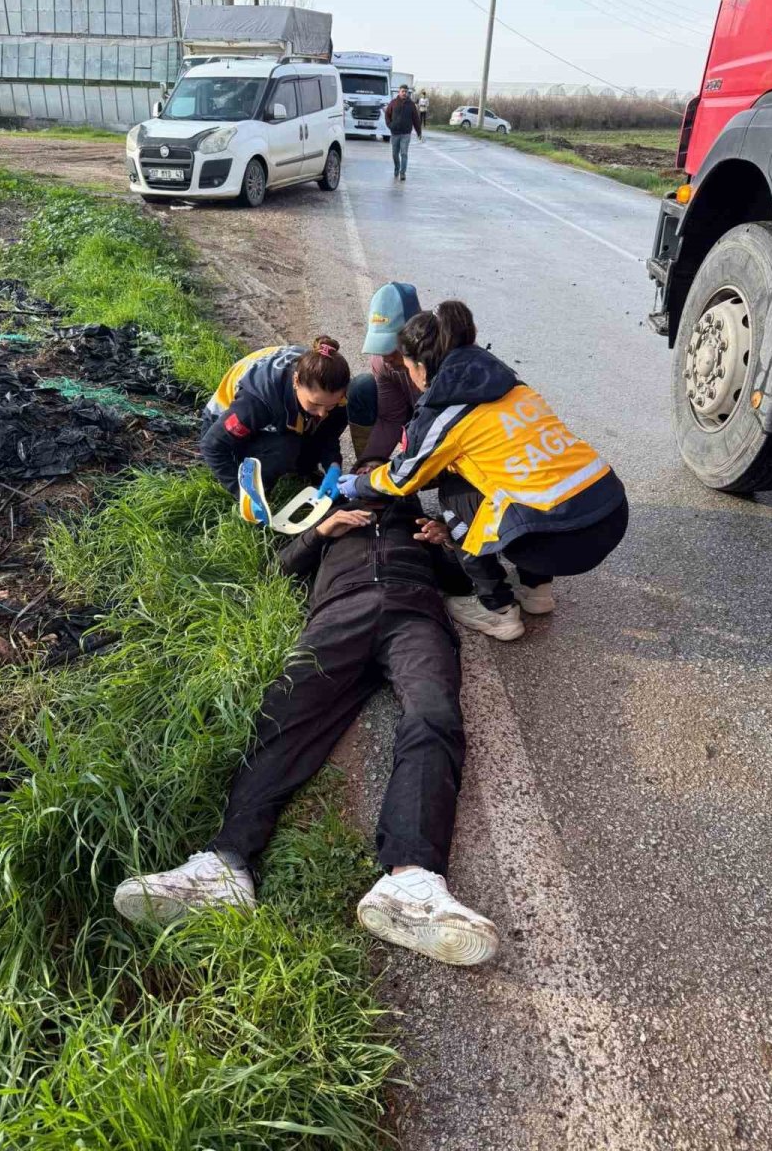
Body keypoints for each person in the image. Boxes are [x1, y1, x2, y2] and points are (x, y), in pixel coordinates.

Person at [114, 486, 500, 968]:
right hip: (339, 614)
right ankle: (225, 866)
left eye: (385, 480)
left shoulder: (415, 522)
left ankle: (412, 879)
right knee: (285, 713)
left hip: (415, 615)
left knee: (434, 714)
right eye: (364, 477)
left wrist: (445, 544)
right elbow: (279, 569)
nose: (374, 485)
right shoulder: (330, 520)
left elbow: (461, 583)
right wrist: (321, 531)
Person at [338, 301, 629, 643]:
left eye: (407, 367)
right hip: (610, 511)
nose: (409, 377)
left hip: (556, 541)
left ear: (420, 366)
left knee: (455, 494)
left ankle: (498, 609)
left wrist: (359, 484)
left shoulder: (445, 413)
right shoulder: (511, 385)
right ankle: (536, 591)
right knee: (523, 485)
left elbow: (402, 479)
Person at [199, 339, 350, 500]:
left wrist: (333, 466)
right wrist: (242, 493)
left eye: (329, 406)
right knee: (285, 447)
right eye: (315, 404)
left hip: (282, 413)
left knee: (335, 416)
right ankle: (261, 484)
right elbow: (212, 446)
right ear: (296, 381)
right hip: (225, 428)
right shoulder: (257, 402)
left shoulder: (334, 390)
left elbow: (327, 434)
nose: (321, 413)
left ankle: (301, 468)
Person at [346, 282, 423, 461]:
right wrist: (369, 464)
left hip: (457, 435)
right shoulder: (384, 362)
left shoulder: (452, 362)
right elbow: (390, 419)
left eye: (392, 347)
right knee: (361, 388)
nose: (386, 357)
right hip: (418, 422)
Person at [384, 84, 422, 181]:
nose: (404, 93)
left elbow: (416, 119)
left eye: (406, 92)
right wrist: (390, 125)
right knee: (394, 154)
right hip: (395, 133)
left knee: (404, 153)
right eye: (402, 91)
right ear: (399, 92)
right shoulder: (393, 103)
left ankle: (402, 173)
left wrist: (419, 132)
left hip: (406, 133)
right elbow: (387, 115)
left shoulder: (411, 105)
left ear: (407, 93)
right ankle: (397, 168)